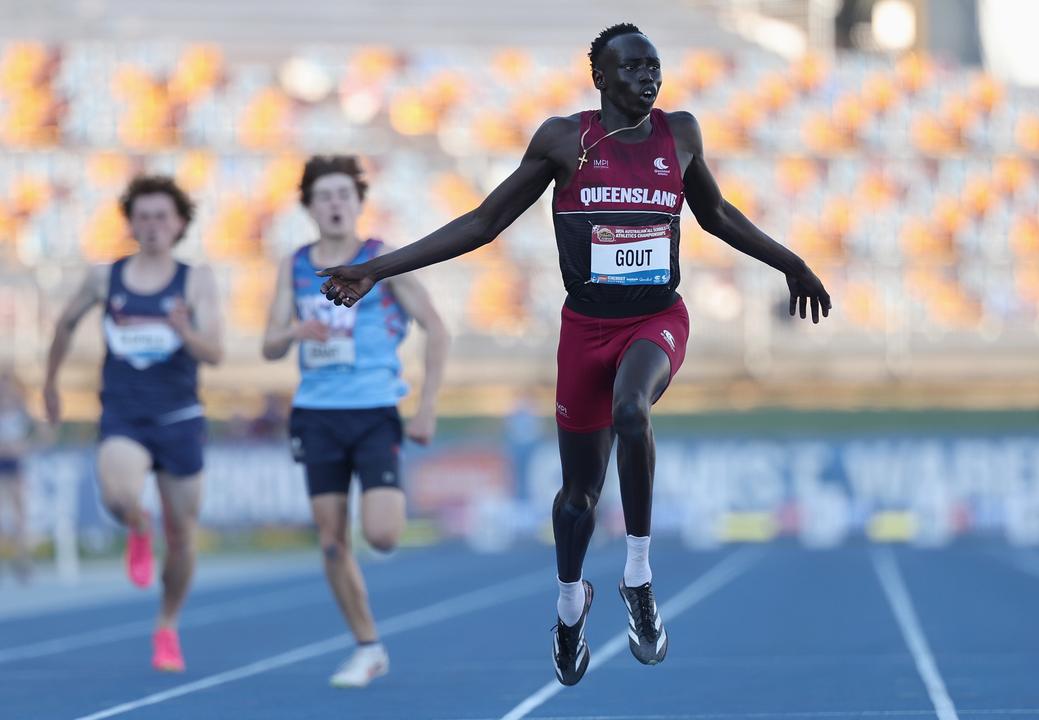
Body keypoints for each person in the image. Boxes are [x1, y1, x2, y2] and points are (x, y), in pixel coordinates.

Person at [318, 24, 831, 686]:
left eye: (655, 66)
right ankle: (568, 609)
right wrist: (376, 269)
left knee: (632, 410)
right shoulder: (565, 140)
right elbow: (482, 223)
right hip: (585, 333)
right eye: (633, 67)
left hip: (655, 318)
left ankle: (639, 577)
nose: (649, 78)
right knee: (578, 498)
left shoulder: (680, 135)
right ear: (601, 78)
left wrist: (792, 263)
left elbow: (718, 215)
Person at [262, 155, 450, 688]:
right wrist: (295, 333)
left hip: (373, 411)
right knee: (330, 541)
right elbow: (269, 345)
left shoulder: (380, 258)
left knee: (385, 535)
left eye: (345, 194)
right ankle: (368, 646)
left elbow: (436, 329)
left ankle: (370, 622)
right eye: (325, 195)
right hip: (317, 416)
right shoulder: (295, 264)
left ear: (359, 203)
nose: (336, 203)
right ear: (308, 206)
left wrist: (427, 406)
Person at [43, 175, 223, 670]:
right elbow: (64, 323)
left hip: (180, 417)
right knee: (120, 496)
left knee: (184, 537)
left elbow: (217, 352)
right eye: (142, 217)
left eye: (161, 216)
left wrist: (185, 330)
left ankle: (167, 625)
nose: (151, 226)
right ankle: (138, 523)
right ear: (130, 223)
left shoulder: (196, 280)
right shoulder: (107, 278)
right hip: (125, 414)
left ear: (180, 223)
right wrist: (51, 384)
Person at [0, 371, 34, 582]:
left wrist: (25, 446)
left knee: (20, 515)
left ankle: (22, 559)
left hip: (16, 465)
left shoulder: (21, 408)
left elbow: (41, 431)